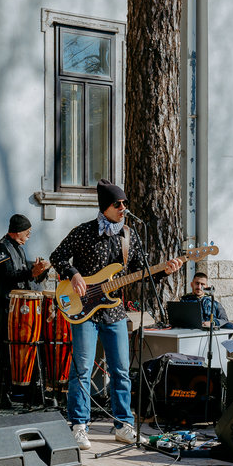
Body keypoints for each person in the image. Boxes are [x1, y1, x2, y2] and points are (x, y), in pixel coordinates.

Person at [50, 179, 183, 451]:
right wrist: (73, 274)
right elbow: (57, 256)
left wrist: (163, 271)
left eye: (125, 203)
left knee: (121, 370)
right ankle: (78, 425)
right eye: (117, 204)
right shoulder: (83, 232)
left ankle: (123, 425)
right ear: (105, 207)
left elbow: (140, 271)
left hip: (115, 311)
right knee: (82, 369)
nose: (123, 207)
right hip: (84, 311)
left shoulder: (129, 236)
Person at [0, 214, 50, 407]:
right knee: (6, 349)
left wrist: (39, 271)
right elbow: (8, 275)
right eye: (27, 232)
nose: (29, 236)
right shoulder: (0, 248)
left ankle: (33, 392)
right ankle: (4, 394)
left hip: (20, 308)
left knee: (30, 346)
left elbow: (24, 275)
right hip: (6, 306)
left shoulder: (19, 248)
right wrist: (32, 272)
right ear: (17, 231)